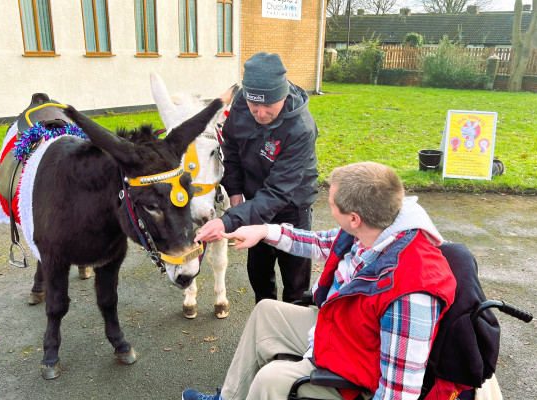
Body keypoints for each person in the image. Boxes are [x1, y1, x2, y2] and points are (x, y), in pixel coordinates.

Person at [183, 162, 457, 400]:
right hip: (344, 329)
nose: (328, 207)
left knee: (271, 379)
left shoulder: (411, 293)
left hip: (357, 371)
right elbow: (321, 242)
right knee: (266, 311)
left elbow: (399, 393)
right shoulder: (377, 227)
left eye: (331, 205)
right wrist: (264, 231)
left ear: (353, 218)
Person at [195, 52, 319, 304]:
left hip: (291, 207)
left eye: (268, 106)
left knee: (295, 282)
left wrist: (227, 221)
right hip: (252, 201)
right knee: (259, 274)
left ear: (283, 96)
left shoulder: (300, 129)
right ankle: (266, 322)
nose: (260, 113)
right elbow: (230, 147)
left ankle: (291, 335)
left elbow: (277, 192)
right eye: (254, 105)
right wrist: (235, 191)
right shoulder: (242, 104)